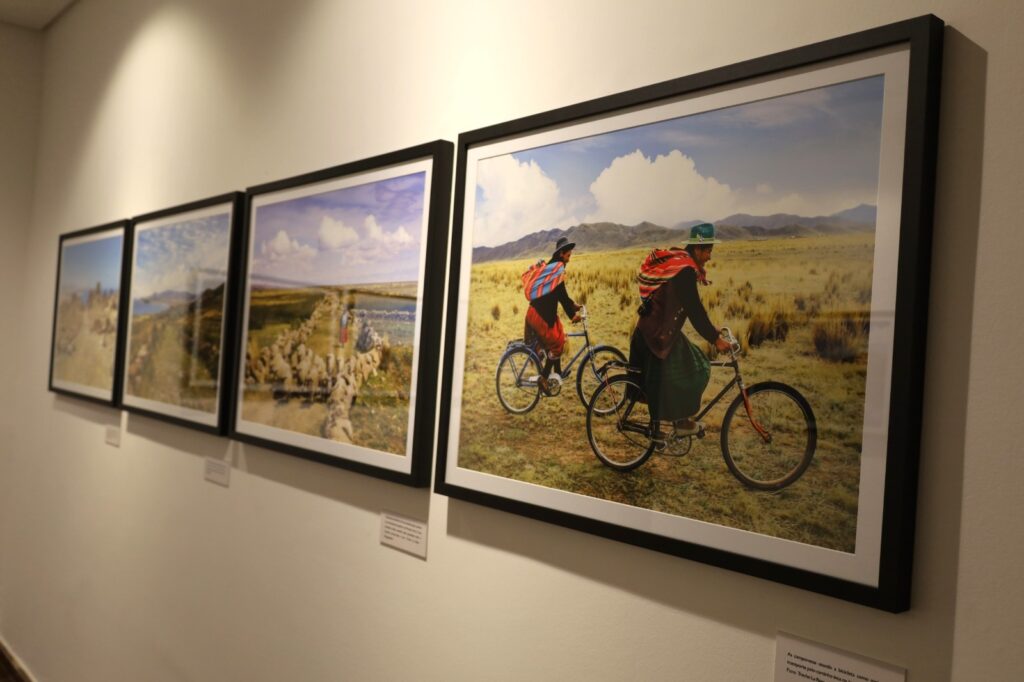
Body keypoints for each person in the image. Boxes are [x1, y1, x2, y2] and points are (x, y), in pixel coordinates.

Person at [630, 223, 732, 435]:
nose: (710, 257)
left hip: (656, 330)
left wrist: (712, 331)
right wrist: (715, 339)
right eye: (708, 251)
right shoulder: (685, 271)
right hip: (656, 334)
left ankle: (678, 421)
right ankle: (681, 424)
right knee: (696, 368)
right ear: (697, 249)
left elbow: (694, 309)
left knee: (687, 365)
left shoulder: (680, 263)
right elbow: (694, 310)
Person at [523, 236, 582, 394]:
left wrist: (573, 306)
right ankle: (543, 378)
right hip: (539, 315)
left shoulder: (554, 268)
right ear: (561, 253)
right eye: (568, 255)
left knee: (560, 336)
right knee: (556, 345)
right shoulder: (557, 269)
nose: (569, 259)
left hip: (543, 313)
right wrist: (572, 315)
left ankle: (557, 373)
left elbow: (560, 293)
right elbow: (561, 294)